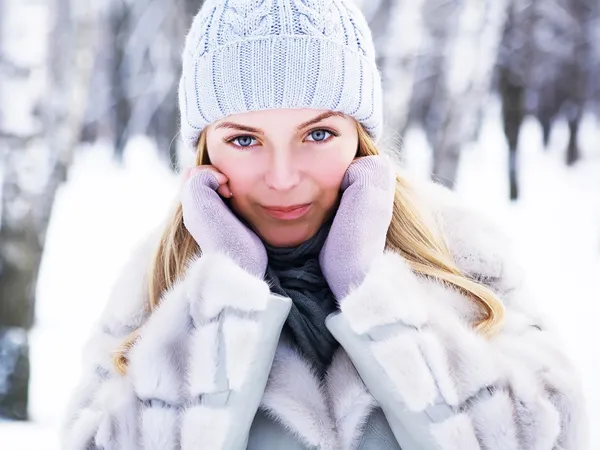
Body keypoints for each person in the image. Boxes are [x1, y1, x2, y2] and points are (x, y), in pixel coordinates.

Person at [62, 0, 588, 448]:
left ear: (360, 138)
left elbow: (554, 433)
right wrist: (228, 295)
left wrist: (370, 292)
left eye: (317, 135)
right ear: (204, 151)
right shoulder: (156, 287)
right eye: (245, 140)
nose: (284, 177)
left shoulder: (459, 254)